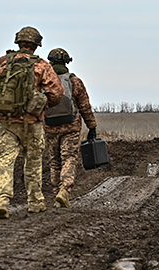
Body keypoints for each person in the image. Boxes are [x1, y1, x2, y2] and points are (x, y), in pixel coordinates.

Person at [0, 26, 64, 219]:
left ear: (18, 42)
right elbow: (57, 93)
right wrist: (42, 104)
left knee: (5, 160)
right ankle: (35, 202)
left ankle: (1, 201)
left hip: (7, 122)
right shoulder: (42, 65)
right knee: (33, 162)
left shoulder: (2, 62)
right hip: (32, 122)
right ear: (36, 45)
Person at [44, 48, 98, 208]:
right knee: (69, 158)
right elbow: (85, 106)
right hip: (71, 127)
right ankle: (64, 191)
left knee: (54, 161)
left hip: (50, 127)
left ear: (51, 62)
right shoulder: (74, 81)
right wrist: (92, 126)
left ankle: (56, 195)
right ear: (66, 62)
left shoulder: (44, 82)